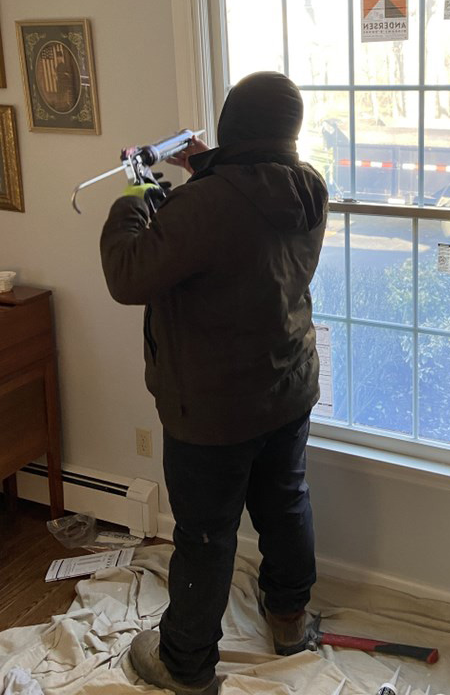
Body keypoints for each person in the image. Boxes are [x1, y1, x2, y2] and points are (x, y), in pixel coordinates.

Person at [100, 72, 328, 695]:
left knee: (204, 532)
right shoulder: (308, 187)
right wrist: (208, 167)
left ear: (234, 126)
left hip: (213, 406)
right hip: (287, 386)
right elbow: (240, 215)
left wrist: (135, 190)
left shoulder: (206, 204)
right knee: (285, 502)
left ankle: (186, 663)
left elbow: (127, 274)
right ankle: (289, 619)